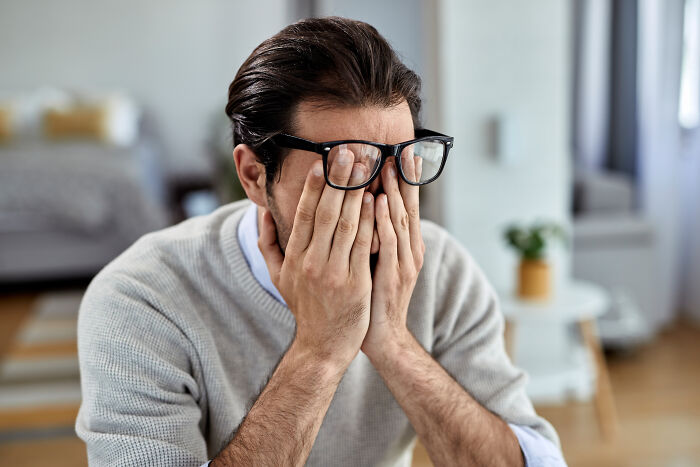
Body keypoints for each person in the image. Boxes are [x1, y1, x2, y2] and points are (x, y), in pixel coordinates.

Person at [75, 16, 566, 466]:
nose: (379, 202)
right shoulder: (141, 297)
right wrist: (320, 351)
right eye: (345, 169)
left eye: (400, 162)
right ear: (252, 175)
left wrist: (392, 342)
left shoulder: (441, 269)